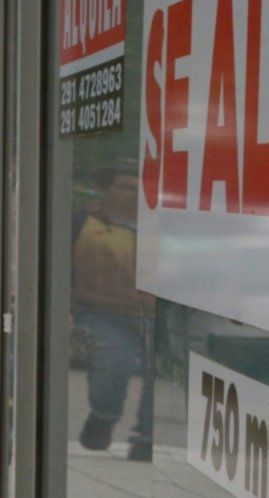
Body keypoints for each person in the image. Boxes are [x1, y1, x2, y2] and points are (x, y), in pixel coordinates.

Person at [71, 165, 155, 461]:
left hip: (156, 316)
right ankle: (103, 416)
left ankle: (146, 438)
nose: (134, 195)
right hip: (101, 312)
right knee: (111, 369)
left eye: (139, 189)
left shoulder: (161, 227)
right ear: (106, 190)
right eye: (125, 187)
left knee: (157, 377)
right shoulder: (82, 222)